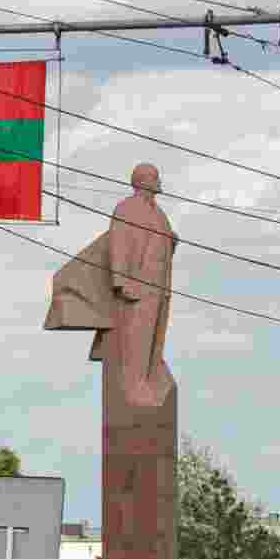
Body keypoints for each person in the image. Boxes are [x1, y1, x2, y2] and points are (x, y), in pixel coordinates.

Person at [104, 163, 177, 406]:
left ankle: (151, 376)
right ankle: (134, 385)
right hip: (139, 285)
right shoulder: (126, 208)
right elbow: (120, 244)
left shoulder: (159, 213)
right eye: (155, 177)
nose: (159, 181)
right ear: (142, 180)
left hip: (161, 284)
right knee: (138, 336)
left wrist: (171, 241)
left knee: (156, 336)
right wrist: (121, 281)